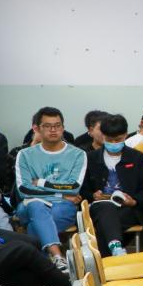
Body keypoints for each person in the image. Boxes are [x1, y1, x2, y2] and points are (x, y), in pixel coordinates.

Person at [14, 107, 86, 266]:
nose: (53, 130)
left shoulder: (78, 154)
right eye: (47, 126)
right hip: (29, 205)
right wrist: (60, 194)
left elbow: (74, 187)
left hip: (62, 207)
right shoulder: (25, 155)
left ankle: (47, 263)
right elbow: (24, 190)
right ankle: (58, 257)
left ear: (63, 127)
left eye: (57, 125)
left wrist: (41, 183)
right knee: (35, 204)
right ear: (37, 129)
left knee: (35, 224)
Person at [80, 114, 143, 257]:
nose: (113, 143)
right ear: (103, 136)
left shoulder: (138, 158)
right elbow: (83, 190)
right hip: (99, 207)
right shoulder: (91, 158)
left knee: (104, 225)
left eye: (117, 140)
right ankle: (116, 249)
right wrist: (93, 195)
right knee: (106, 209)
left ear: (125, 135)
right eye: (109, 140)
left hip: (129, 209)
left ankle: (111, 254)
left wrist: (134, 201)